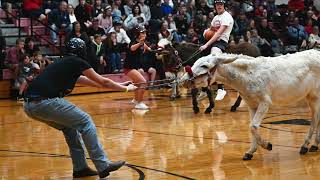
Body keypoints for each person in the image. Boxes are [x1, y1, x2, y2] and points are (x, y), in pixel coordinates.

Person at [23, 38, 137, 178]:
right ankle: (103, 165)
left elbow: (92, 82)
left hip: (29, 106)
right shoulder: (77, 62)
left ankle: (80, 168)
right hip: (44, 102)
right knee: (86, 121)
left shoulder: (65, 62)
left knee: (70, 128)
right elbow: (103, 81)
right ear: (82, 50)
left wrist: (122, 85)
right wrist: (125, 90)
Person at [198, 0, 234, 101]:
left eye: (221, 4)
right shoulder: (215, 17)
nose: (219, 6)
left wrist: (206, 45)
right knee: (202, 62)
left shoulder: (227, 17)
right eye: (217, 5)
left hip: (221, 41)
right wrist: (206, 32)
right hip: (212, 40)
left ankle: (221, 89)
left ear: (224, 6)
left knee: (214, 57)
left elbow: (218, 34)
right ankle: (204, 89)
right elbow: (211, 30)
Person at [123, 25, 151, 110]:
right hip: (129, 67)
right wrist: (140, 43)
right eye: (142, 32)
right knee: (143, 82)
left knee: (137, 83)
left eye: (145, 32)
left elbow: (149, 49)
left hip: (134, 67)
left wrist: (158, 51)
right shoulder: (134, 41)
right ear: (137, 34)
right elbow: (132, 48)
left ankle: (135, 100)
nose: (144, 34)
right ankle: (139, 103)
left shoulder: (142, 43)